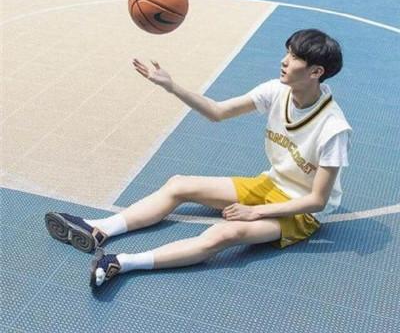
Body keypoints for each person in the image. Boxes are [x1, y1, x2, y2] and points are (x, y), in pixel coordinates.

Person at [45, 29, 352, 287]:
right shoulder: (276, 91)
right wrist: (171, 86)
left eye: (295, 57)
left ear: (316, 72)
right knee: (179, 184)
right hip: (269, 184)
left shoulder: (333, 128)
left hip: (300, 211)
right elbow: (217, 112)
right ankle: (100, 228)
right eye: (287, 52)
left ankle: (121, 263)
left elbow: (317, 201)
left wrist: (254, 212)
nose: (284, 61)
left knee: (225, 233)